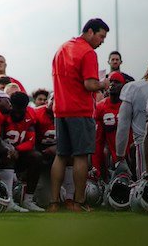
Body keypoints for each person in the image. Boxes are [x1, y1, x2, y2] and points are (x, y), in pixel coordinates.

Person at [49, 18, 109, 212]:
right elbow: (90, 85)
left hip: (60, 110)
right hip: (80, 110)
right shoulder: (88, 52)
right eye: (101, 36)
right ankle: (79, 202)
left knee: (61, 155)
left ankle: (53, 202)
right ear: (90, 32)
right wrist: (104, 84)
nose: (102, 41)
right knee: (81, 156)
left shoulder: (62, 48)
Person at [1, 91, 45, 211]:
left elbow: (31, 141)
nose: (18, 114)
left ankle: (28, 200)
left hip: (18, 152)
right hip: (1, 152)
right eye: (16, 110)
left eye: (21, 110)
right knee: (7, 156)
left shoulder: (30, 114)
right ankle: (8, 200)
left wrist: (17, 149)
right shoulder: (3, 114)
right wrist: (9, 149)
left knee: (37, 157)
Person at [93, 71, 125, 176]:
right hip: (109, 148)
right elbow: (98, 140)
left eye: (117, 82)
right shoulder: (100, 106)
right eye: (111, 81)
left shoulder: (128, 105)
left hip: (126, 150)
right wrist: (96, 168)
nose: (113, 84)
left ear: (123, 86)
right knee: (103, 152)